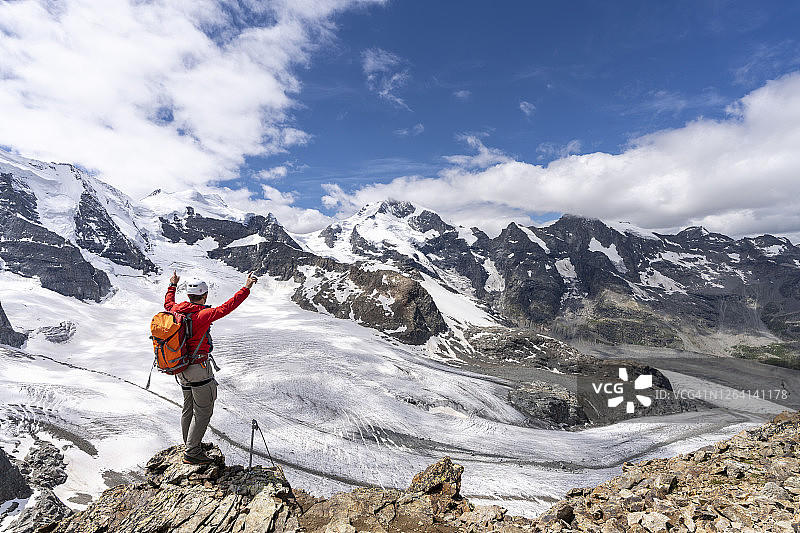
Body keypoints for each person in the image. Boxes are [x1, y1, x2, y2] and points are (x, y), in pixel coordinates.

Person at [165, 270, 258, 464]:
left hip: (180, 367)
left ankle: (190, 443)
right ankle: (192, 451)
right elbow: (227, 307)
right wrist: (246, 288)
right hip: (198, 368)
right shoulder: (203, 315)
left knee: (188, 407)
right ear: (204, 295)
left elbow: (168, 303)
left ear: (188, 295)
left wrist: (172, 285)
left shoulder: (176, 311)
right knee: (203, 410)